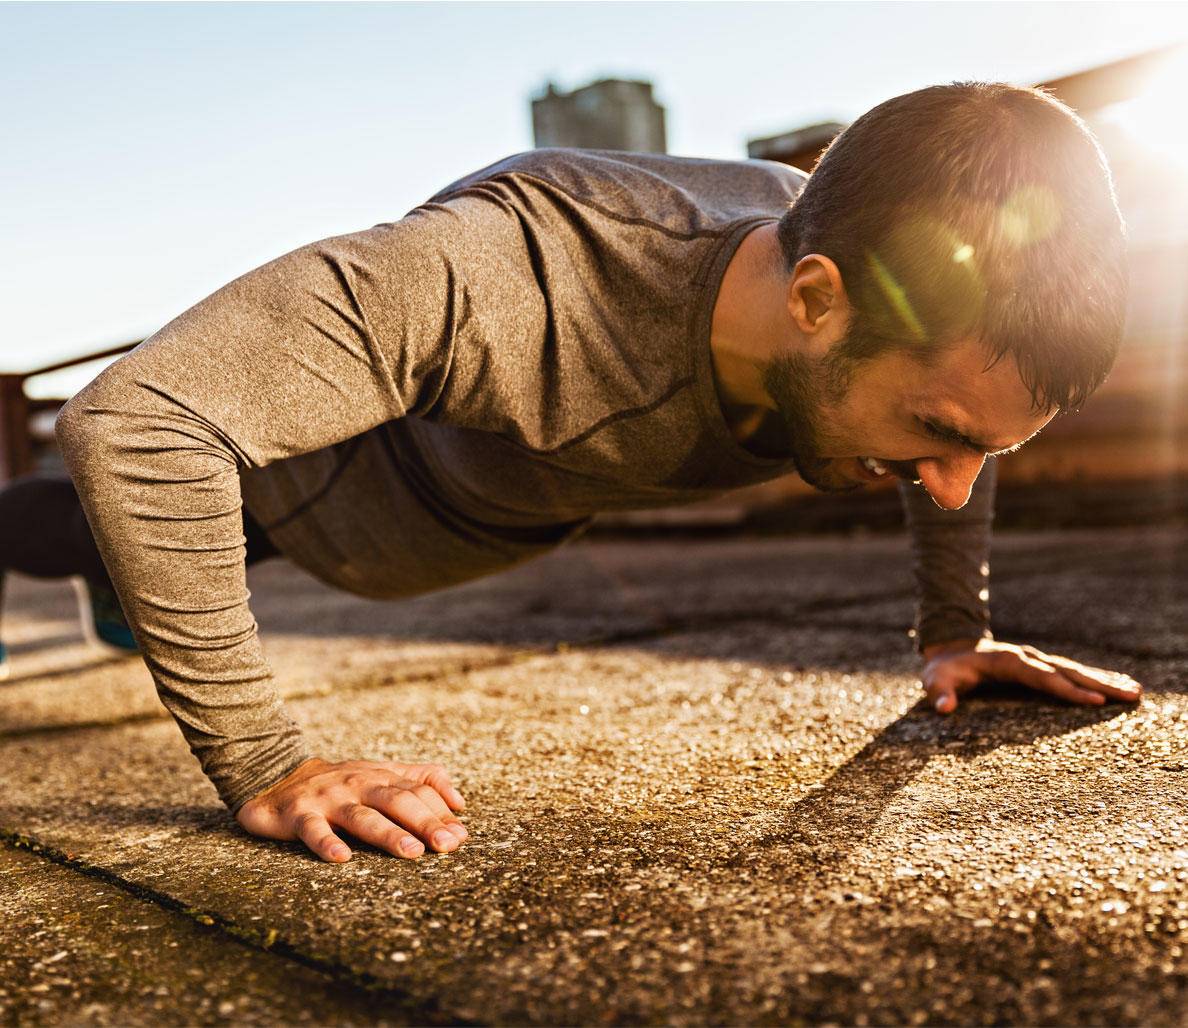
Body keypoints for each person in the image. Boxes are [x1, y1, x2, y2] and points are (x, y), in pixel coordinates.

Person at [45, 81, 1142, 865]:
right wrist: (267, 765)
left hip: (495, 515)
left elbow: (962, 415)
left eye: (983, 451)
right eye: (934, 432)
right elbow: (140, 419)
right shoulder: (511, 270)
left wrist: (954, 628)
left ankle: (121, 571)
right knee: (71, 521)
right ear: (814, 300)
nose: (950, 486)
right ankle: (104, 561)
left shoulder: (881, 285)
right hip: (321, 500)